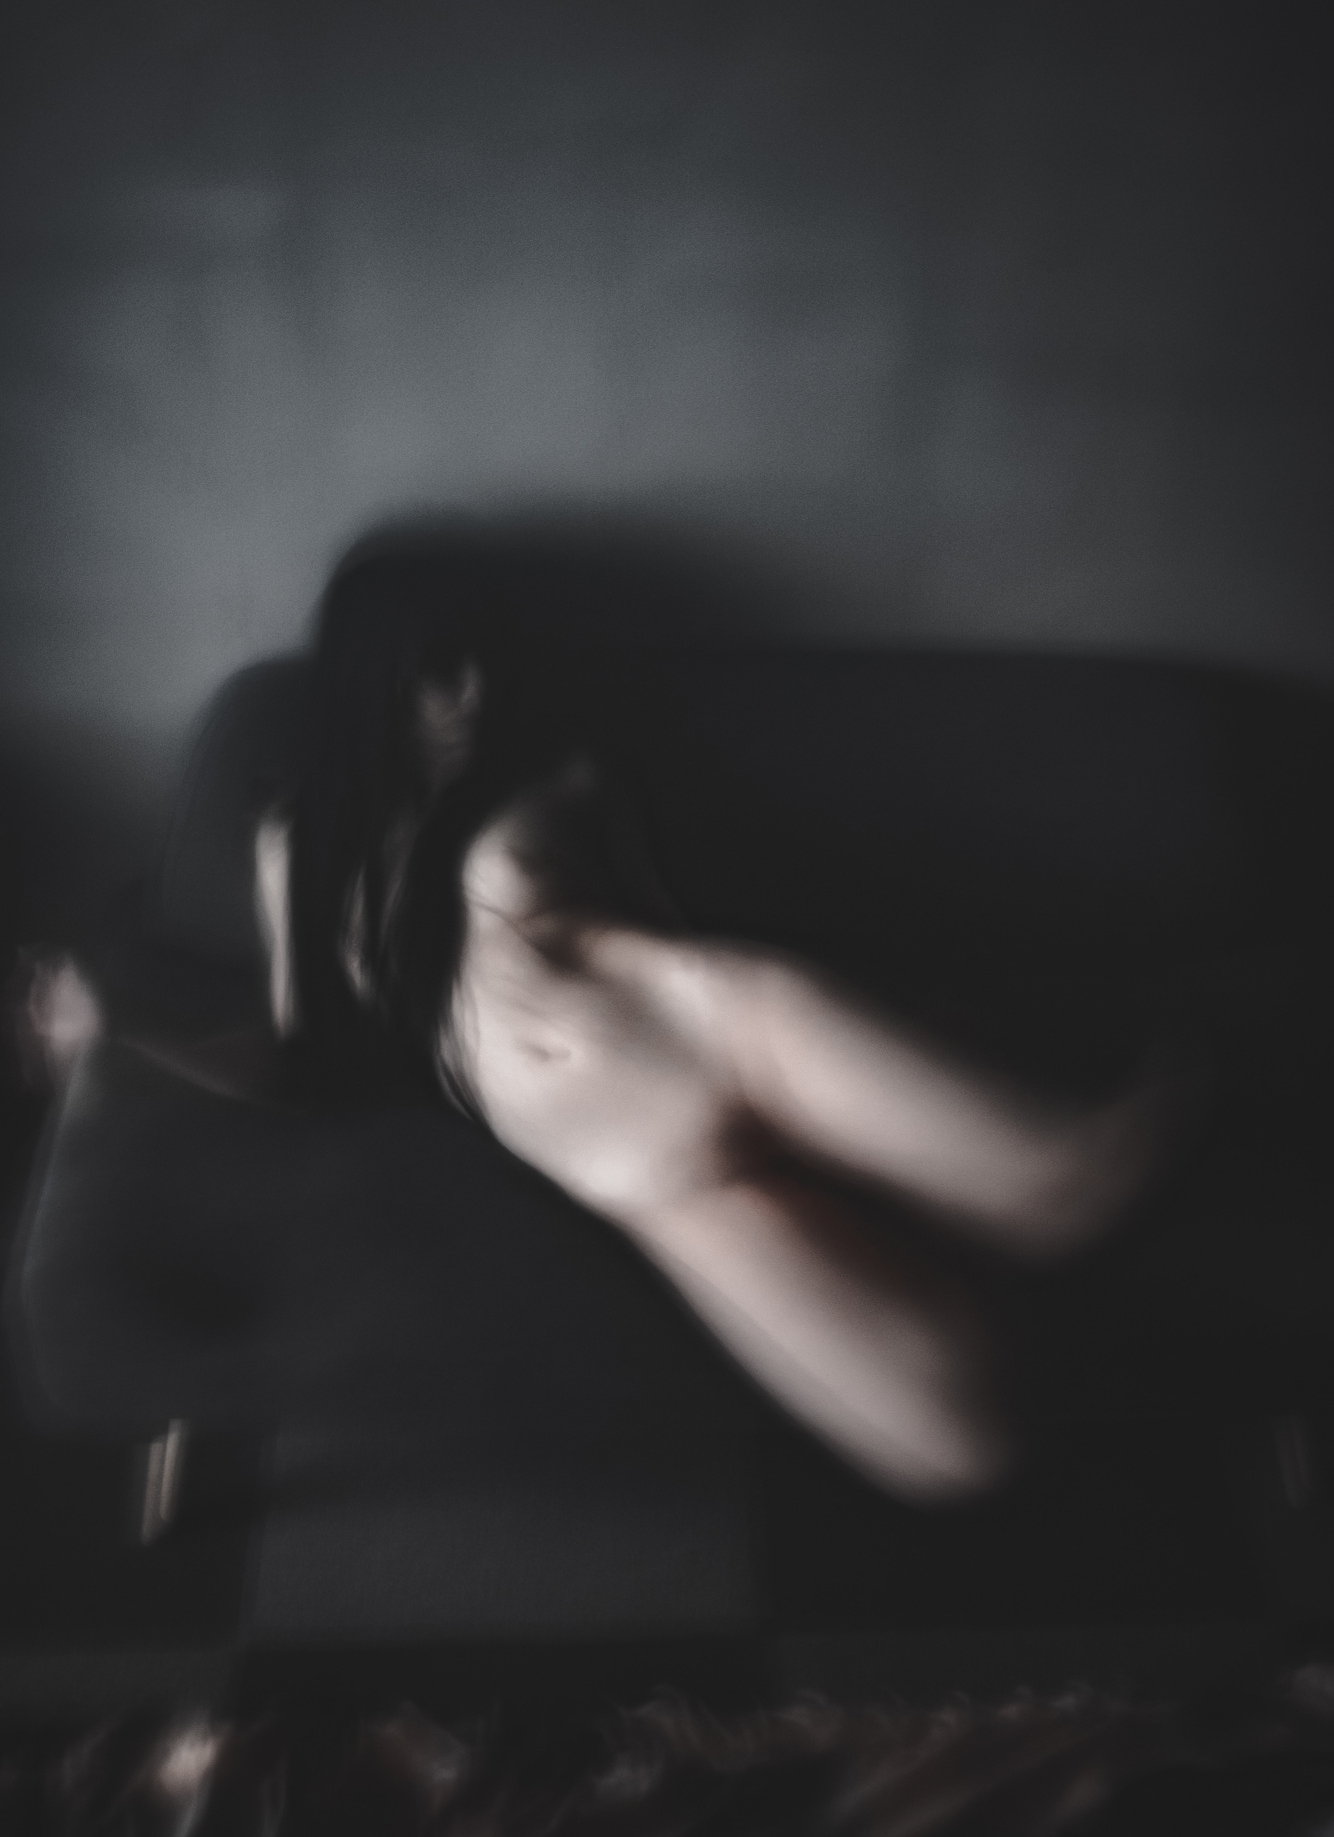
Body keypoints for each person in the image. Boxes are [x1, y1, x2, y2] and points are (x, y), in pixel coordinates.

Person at [13, 535, 1184, 1504]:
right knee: (961, 1447)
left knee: (1068, 1186)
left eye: (481, 667)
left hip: (735, 1026)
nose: (470, 699)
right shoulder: (297, 852)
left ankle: (1222, 1039)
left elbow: (683, 905)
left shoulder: (554, 773)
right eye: (437, 674)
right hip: (639, 1171)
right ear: (371, 679)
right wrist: (125, 1030)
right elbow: (301, 1058)